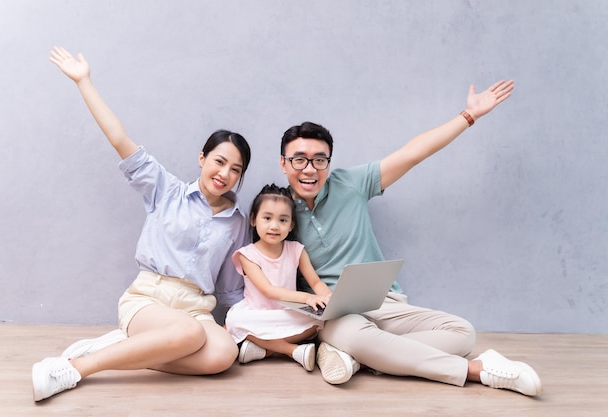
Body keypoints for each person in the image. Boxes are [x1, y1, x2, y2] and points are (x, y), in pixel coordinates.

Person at [279, 80, 543, 396]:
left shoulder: (351, 183)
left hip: (383, 302)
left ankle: (361, 359)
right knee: (358, 335)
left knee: (463, 334)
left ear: (329, 164)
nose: (310, 168)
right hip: (334, 314)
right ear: (284, 164)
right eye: (299, 159)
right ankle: (477, 370)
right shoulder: (276, 210)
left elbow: (412, 153)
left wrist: (469, 116)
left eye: (319, 159)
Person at [32, 46, 251, 402]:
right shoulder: (166, 190)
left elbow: (229, 287)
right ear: (202, 158)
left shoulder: (236, 222)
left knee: (224, 354)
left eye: (235, 169)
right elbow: (120, 139)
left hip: (197, 307)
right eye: (219, 161)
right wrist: (83, 81)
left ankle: (129, 349)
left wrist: (249, 326)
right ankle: (78, 366)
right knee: (189, 336)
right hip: (150, 299)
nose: (224, 174)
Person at [225, 184, 332, 371]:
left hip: (288, 313)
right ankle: (292, 351)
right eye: (267, 218)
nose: (274, 226)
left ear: (291, 225)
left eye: (283, 220)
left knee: (321, 321)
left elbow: (315, 282)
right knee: (233, 322)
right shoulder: (247, 255)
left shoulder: (296, 250)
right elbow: (269, 290)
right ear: (253, 220)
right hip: (257, 313)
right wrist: (307, 297)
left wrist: (328, 298)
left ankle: (265, 350)